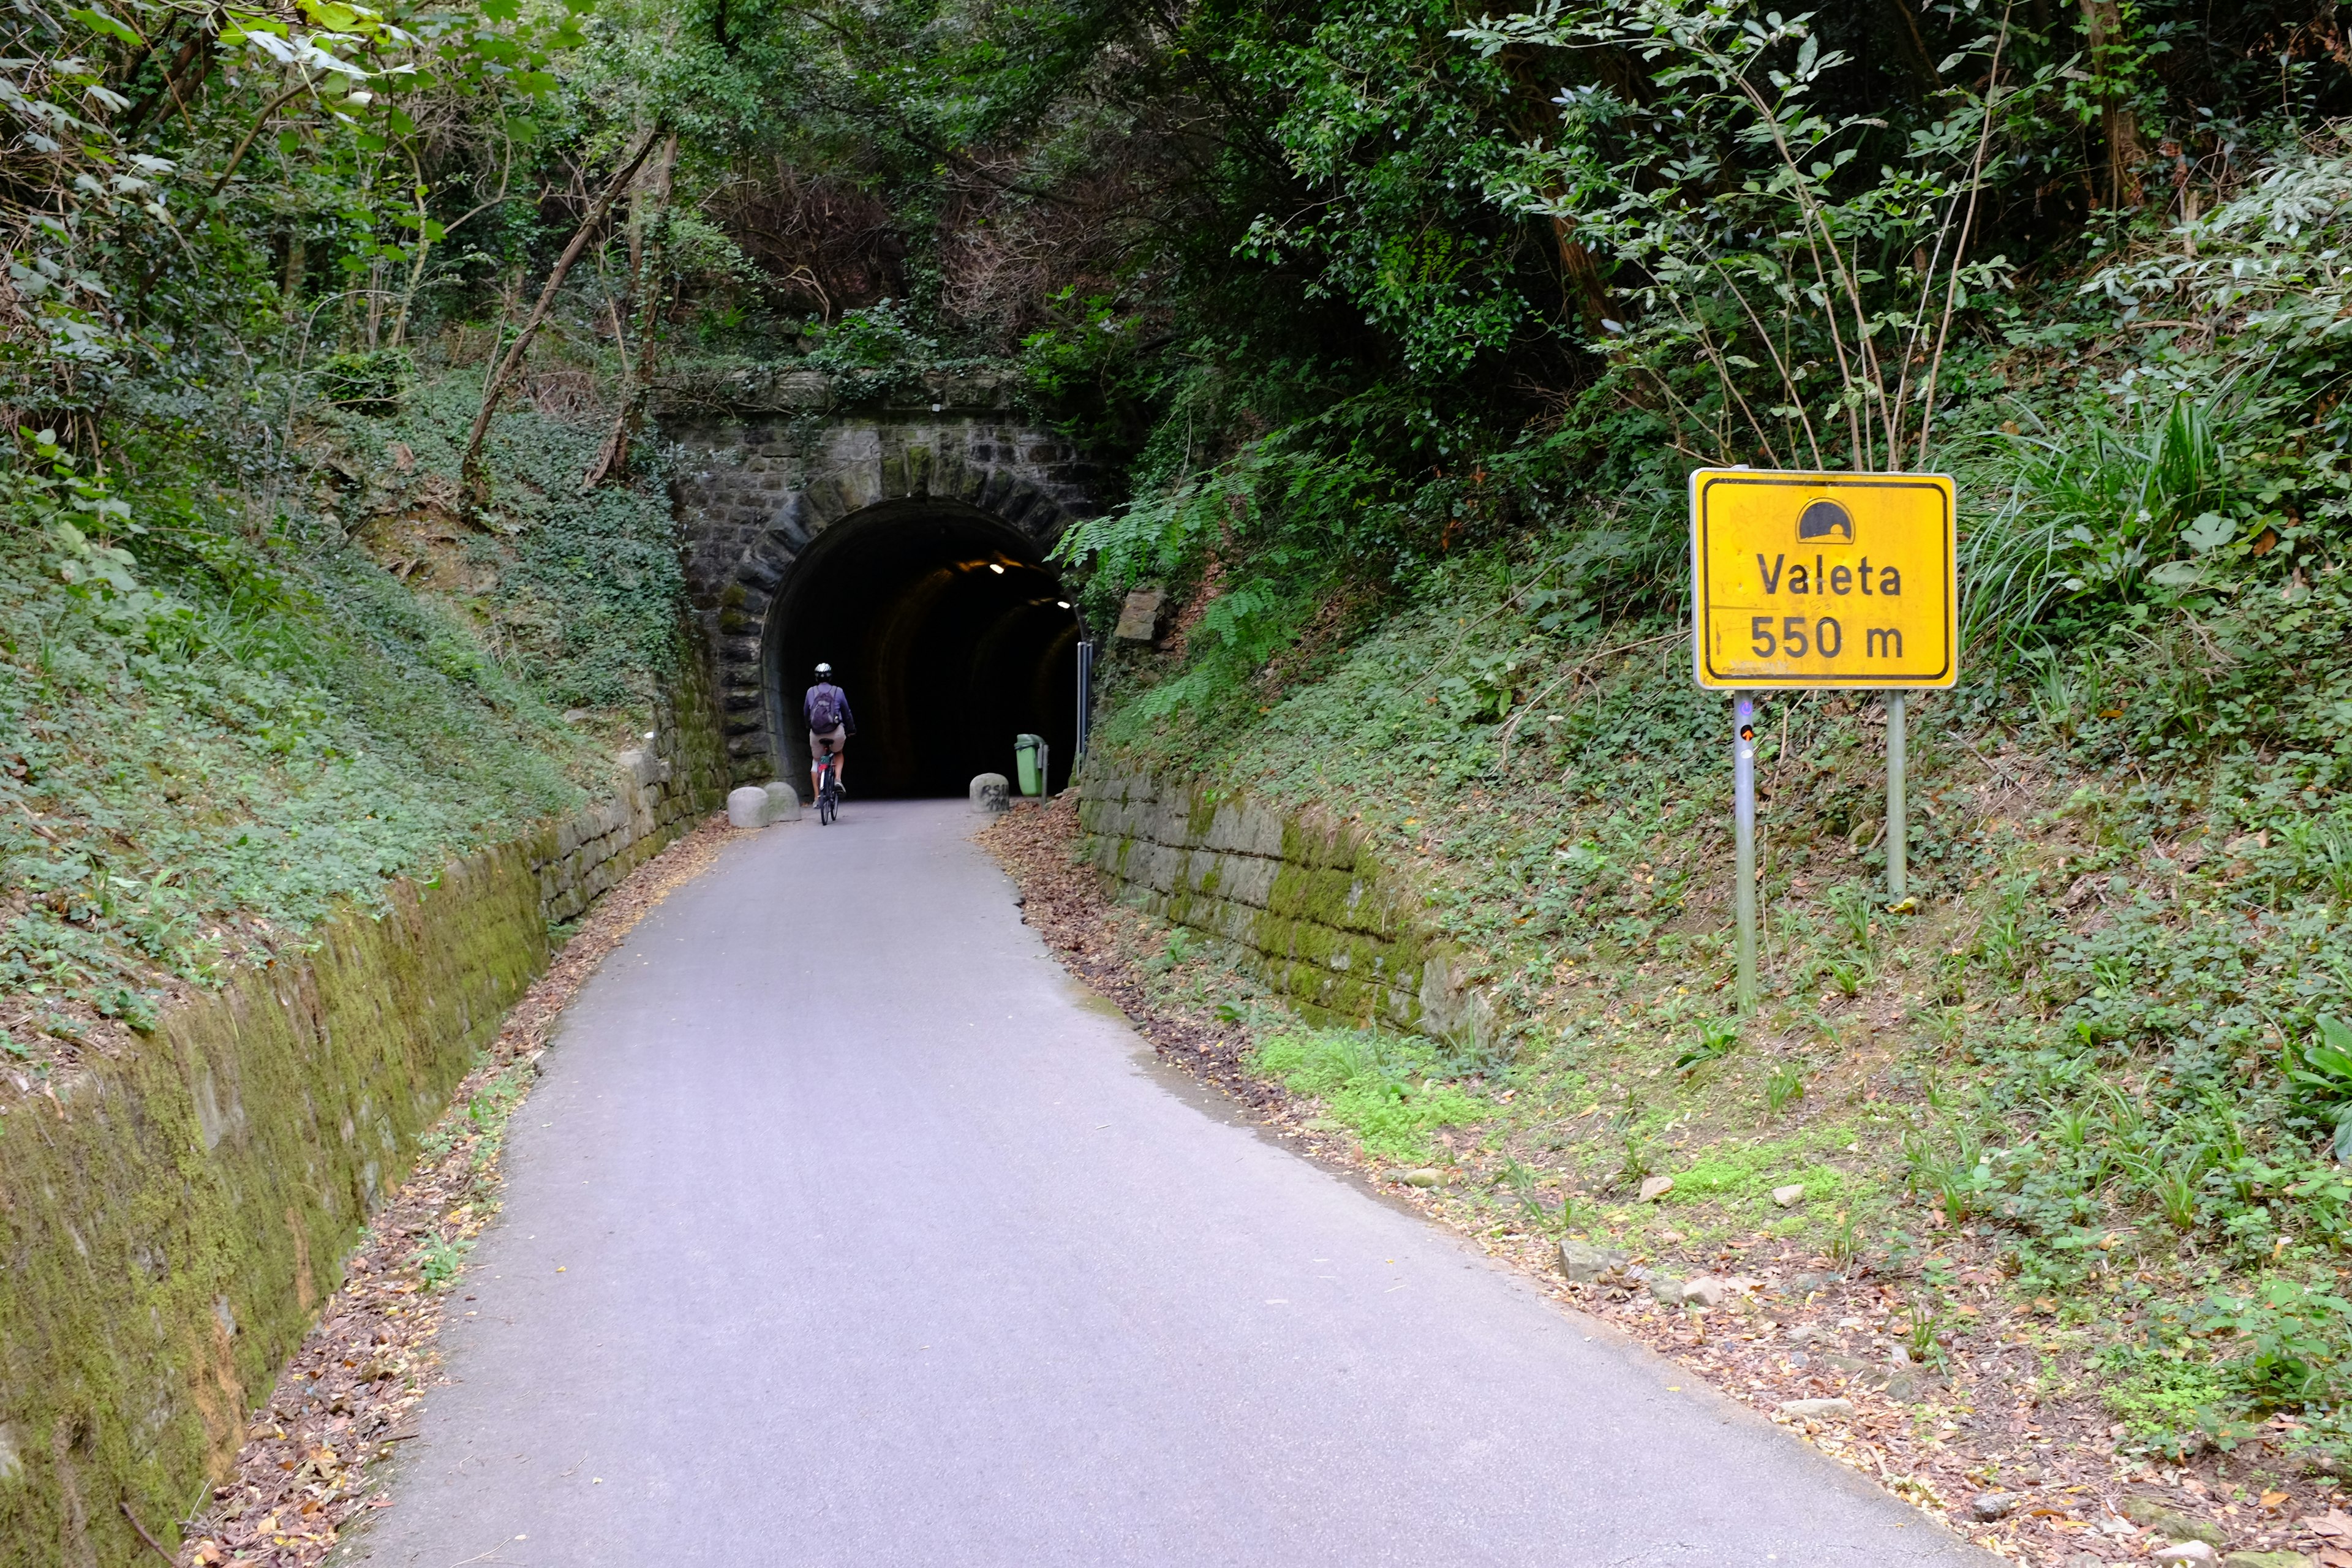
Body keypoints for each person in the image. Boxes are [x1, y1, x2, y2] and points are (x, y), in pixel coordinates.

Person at [804, 663, 855, 800]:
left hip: (816, 733)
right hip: (836, 731)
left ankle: (817, 797)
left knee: (816, 760)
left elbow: (806, 713)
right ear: (830, 677)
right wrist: (851, 729)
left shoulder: (811, 692)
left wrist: (810, 727)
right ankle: (837, 779)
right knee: (838, 752)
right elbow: (847, 712)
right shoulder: (838, 691)